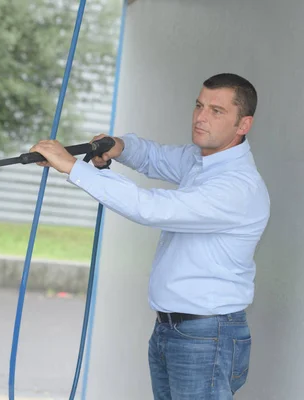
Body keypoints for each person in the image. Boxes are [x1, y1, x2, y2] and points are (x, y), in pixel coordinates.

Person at [29, 73, 270, 399]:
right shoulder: (200, 161)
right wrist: (120, 147)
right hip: (175, 330)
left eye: (217, 111)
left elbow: (151, 207)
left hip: (206, 335)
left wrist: (73, 167)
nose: (200, 117)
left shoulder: (237, 187)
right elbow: (154, 156)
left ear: (243, 125)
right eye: (199, 105)